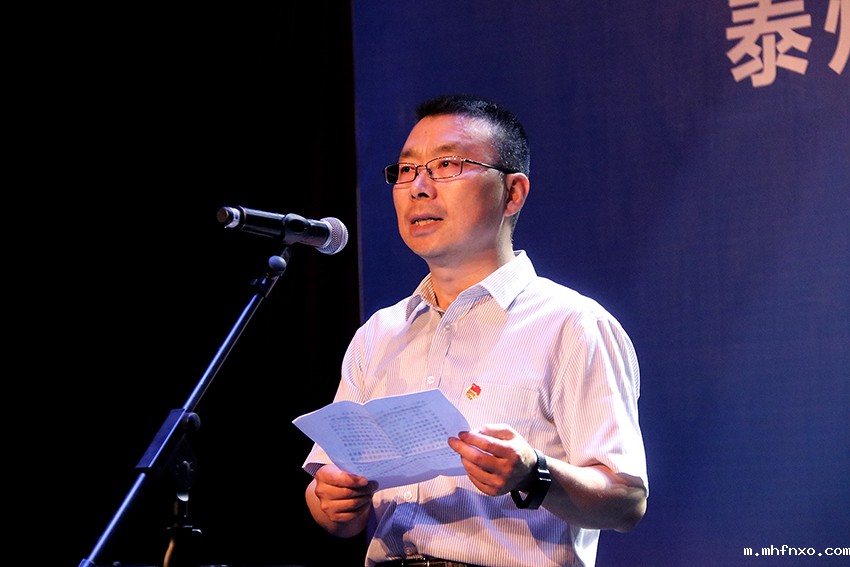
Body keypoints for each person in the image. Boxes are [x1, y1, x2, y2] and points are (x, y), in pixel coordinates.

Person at [302, 94, 648, 567]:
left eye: (446, 165)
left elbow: (626, 502)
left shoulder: (572, 325)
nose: (418, 188)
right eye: (407, 170)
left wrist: (534, 473)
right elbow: (333, 504)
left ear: (512, 193)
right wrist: (334, 500)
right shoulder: (378, 333)